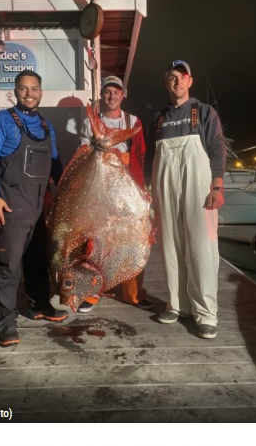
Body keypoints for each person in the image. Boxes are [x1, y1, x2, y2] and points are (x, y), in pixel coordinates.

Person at [0, 69, 68, 347]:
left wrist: (67, 190)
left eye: (34, 88)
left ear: (41, 92)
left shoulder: (45, 125)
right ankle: (4, 323)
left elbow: (55, 165)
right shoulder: (2, 121)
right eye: (23, 88)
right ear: (15, 92)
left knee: (37, 260)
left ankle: (39, 305)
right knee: (7, 267)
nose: (29, 93)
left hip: (40, 207)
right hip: (11, 207)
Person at [151, 60, 226, 339]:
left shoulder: (205, 112)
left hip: (199, 186)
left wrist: (217, 186)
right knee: (170, 244)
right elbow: (151, 158)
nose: (177, 82)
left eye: (182, 77)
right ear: (166, 83)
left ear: (190, 81)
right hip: (164, 185)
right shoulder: (159, 119)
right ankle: (177, 305)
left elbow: (217, 149)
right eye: (171, 77)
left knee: (201, 248)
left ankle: (206, 313)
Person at [78, 74, 152, 313]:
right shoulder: (91, 120)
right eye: (107, 92)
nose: (111, 96)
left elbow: (140, 155)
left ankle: (133, 294)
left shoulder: (134, 121)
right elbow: (82, 153)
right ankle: (92, 293)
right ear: (101, 95)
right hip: (100, 188)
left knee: (132, 239)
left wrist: (141, 189)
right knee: (97, 241)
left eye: (116, 92)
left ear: (123, 95)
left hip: (127, 189)